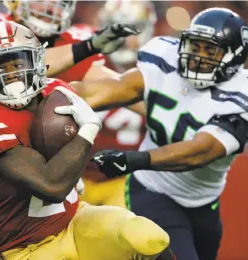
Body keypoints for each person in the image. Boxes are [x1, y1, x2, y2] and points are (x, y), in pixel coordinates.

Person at [71, 8, 248, 260]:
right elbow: (107, 91)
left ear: (235, 56)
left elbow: (201, 151)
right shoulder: (165, 62)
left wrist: (134, 159)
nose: (198, 57)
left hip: (204, 202)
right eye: (194, 46)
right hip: (152, 189)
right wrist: (46, 90)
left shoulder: (247, 95)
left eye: (210, 51)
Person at [0, 0, 139, 259]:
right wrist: (87, 47)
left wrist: (168, 100)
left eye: (57, 2)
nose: (49, 8)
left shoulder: (69, 42)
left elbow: (109, 86)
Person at [79, 0, 157, 207]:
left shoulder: (157, 72)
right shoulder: (88, 64)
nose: (123, 39)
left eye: (131, 30)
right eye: (116, 29)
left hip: (127, 181)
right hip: (76, 177)